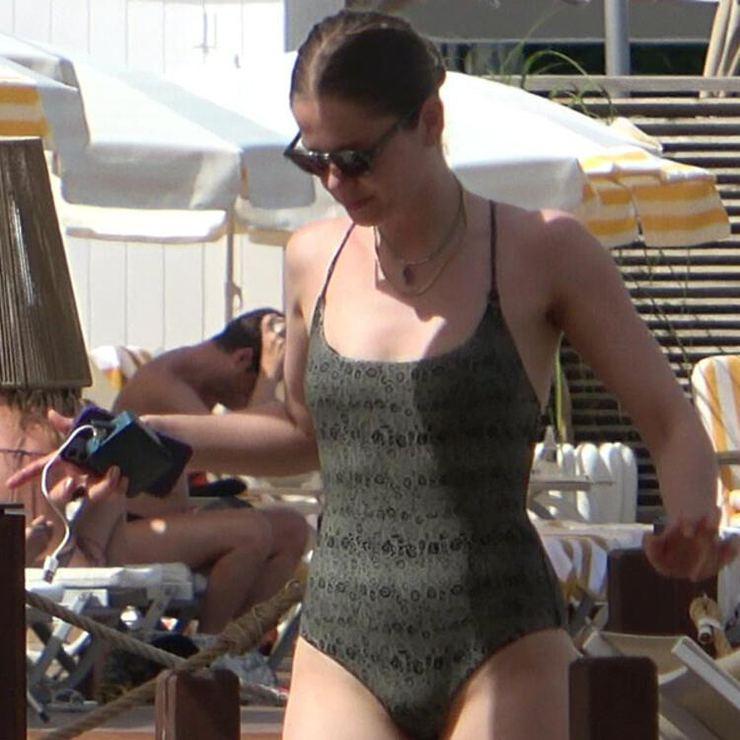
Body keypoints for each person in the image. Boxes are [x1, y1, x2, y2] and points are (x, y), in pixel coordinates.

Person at [10, 10, 738, 738]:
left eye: (356, 158)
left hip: (502, 633)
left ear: (430, 120)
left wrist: (691, 518)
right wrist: (143, 432)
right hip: (345, 639)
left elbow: (670, 421)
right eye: (314, 158)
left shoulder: (543, 251)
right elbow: (301, 432)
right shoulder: (312, 258)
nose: (335, 181)